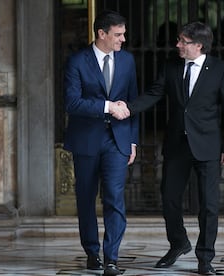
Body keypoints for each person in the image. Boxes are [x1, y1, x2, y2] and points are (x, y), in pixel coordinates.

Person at [114, 21, 224, 275]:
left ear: (199, 45)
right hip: (176, 146)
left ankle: (205, 258)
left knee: (209, 206)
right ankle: (179, 243)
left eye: (183, 41)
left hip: (208, 145)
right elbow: (153, 94)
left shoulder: (220, 69)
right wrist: (127, 107)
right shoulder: (171, 67)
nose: (177, 45)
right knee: (169, 199)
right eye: (179, 40)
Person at [63, 10, 139, 276]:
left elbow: (132, 102)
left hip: (117, 140)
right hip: (86, 140)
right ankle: (92, 253)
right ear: (102, 34)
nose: (123, 39)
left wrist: (133, 141)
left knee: (115, 198)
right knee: (85, 199)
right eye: (118, 35)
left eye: (123, 34)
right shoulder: (76, 61)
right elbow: (72, 103)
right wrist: (108, 106)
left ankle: (112, 258)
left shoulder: (128, 61)